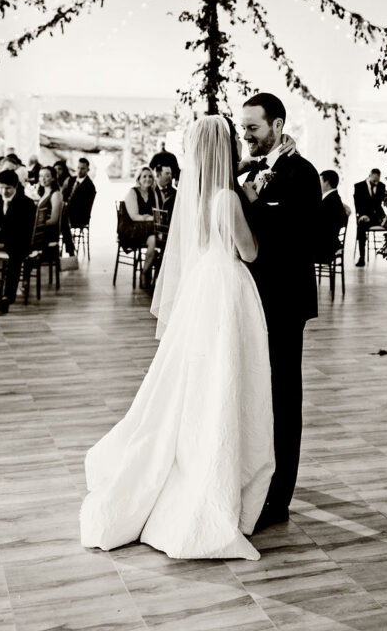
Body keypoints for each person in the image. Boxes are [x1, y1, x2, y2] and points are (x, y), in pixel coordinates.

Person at [80, 115, 274, 559]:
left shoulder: (200, 194)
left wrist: (242, 188)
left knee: (196, 378)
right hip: (227, 288)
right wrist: (251, 199)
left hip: (202, 287)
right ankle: (221, 469)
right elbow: (250, 251)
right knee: (226, 376)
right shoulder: (227, 197)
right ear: (225, 148)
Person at [240, 92, 321, 531]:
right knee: (261, 394)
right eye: (243, 127)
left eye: (253, 127)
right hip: (254, 301)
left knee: (284, 397)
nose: (246, 134)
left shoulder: (301, 174)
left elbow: (292, 239)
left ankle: (280, 497)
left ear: (277, 125)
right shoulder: (254, 170)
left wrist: (251, 202)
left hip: (284, 302)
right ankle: (262, 475)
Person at [0, 169, 36, 314]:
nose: (4, 191)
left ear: (16, 187)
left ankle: (7, 298)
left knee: (15, 258)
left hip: (20, 243)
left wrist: (3, 245)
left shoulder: (27, 204)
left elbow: (25, 234)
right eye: (1, 187)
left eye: (8, 188)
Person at [120, 166, 157, 288]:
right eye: (144, 176)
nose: (148, 179)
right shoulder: (133, 192)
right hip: (131, 229)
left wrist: (149, 217)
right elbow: (134, 216)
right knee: (157, 234)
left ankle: (145, 272)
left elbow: (157, 213)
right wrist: (149, 217)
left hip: (148, 229)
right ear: (139, 179)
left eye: (150, 176)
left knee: (155, 240)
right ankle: (148, 273)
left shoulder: (153, 193)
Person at [61, 158, 97, 256]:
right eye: (78, 168)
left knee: (60, 221)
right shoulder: (71, 180)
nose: (79, 171)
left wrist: (67, 207)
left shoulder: (90, 186)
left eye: (83, 169)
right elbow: (64, 196)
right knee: (59, 219)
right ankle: (67, 250)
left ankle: (68, 251)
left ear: (88, 170)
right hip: (67, 212)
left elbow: (84, 207)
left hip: (80, 216)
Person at [353, 168, 387, 267]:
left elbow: (385, 202)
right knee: (362, 226)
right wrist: (362, 215)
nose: (376, 182)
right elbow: (357, 204)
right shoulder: (359, 186)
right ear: (370, 175)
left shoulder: (382, 186)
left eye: (377, 180)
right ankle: (361, 257)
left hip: (378, 217)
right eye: (374, 180)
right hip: (364, 216)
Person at [315, 170, 349, 263]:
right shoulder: (333, 198)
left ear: (326, 182)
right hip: (327, 243)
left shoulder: (331, 201)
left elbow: (321, 225)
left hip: (324, 248)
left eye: (319, 181)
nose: (317, 184)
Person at [36, 165, 63, 239]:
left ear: (53, 178)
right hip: (41, 229)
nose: (43, 179)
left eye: (47, 176)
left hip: (48, 232)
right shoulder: (44, 193)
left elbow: (54, 220)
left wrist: (36, 225)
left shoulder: (55, 194)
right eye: (41, 176)